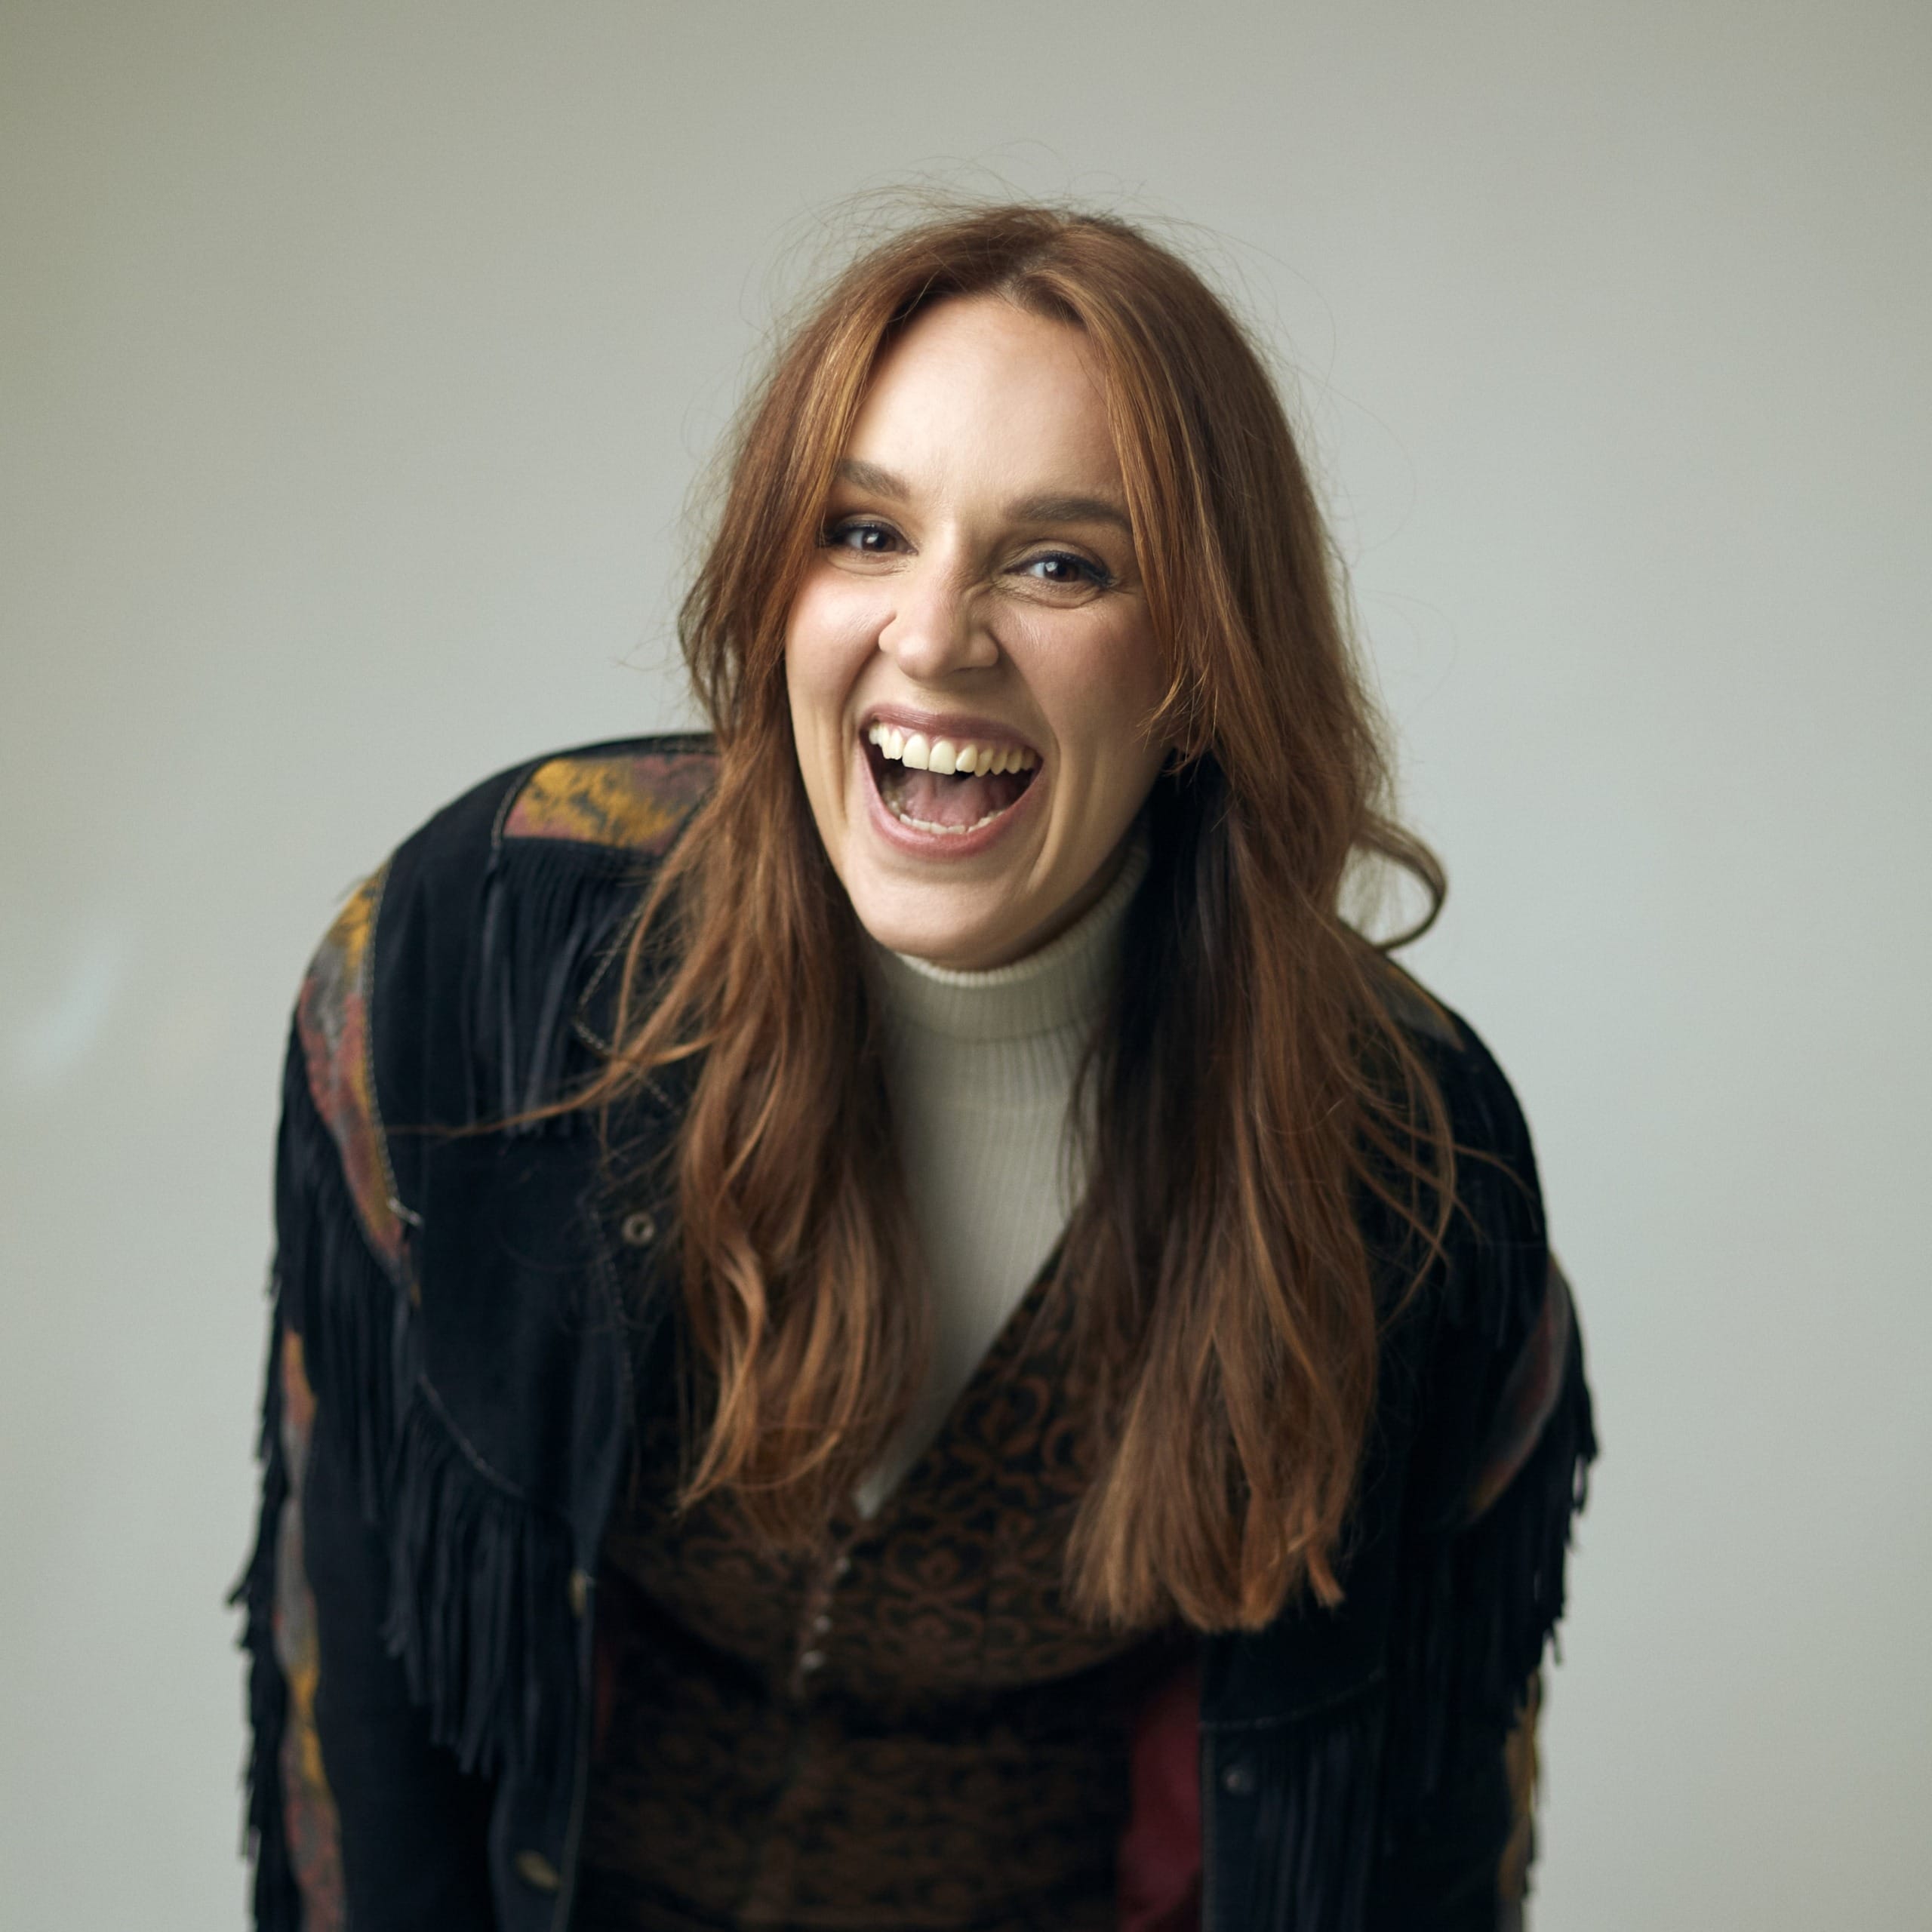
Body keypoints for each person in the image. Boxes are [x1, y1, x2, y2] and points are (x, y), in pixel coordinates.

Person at [235, 203, 1594, 1932]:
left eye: (1058, 562)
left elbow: (1412, 1842)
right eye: (864, 530)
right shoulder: (468, 973)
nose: (933, 634)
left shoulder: (1404, 1171)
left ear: (1196, 669)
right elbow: (349, 1702)